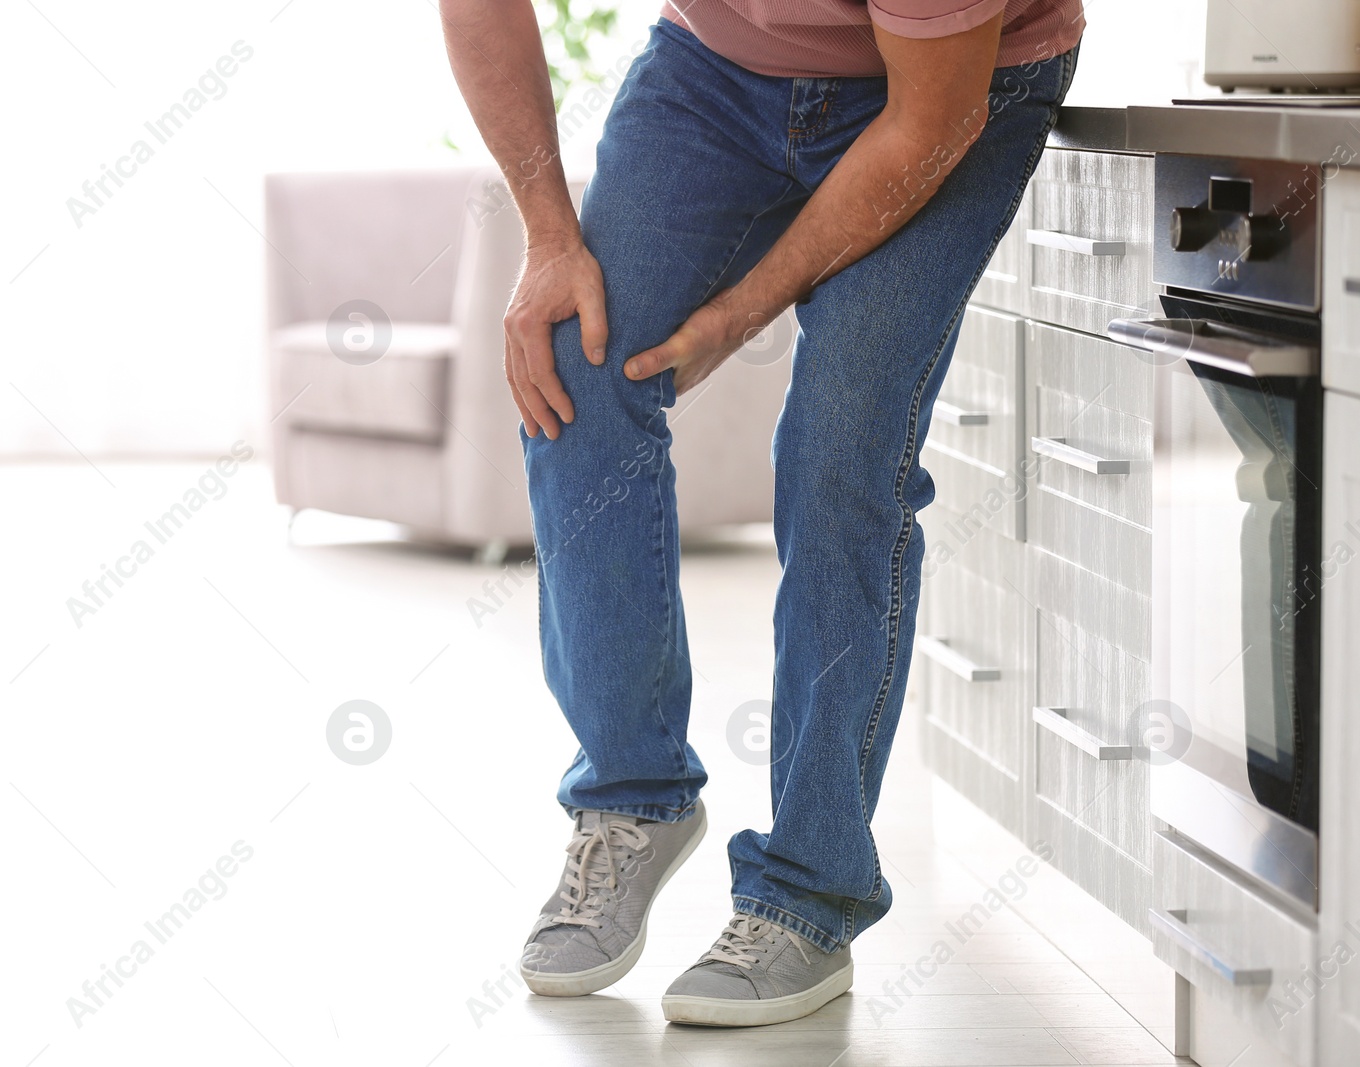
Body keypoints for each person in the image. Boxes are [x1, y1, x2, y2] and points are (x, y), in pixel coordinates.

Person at [440, 0, 1084, 1028]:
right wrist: (549, 236)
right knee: (577, 362)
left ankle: (809, 887)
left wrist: (742, 313)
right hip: (716, 67)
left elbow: (924, 124)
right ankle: (628, 795)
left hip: (948, 85)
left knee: (841, 451)